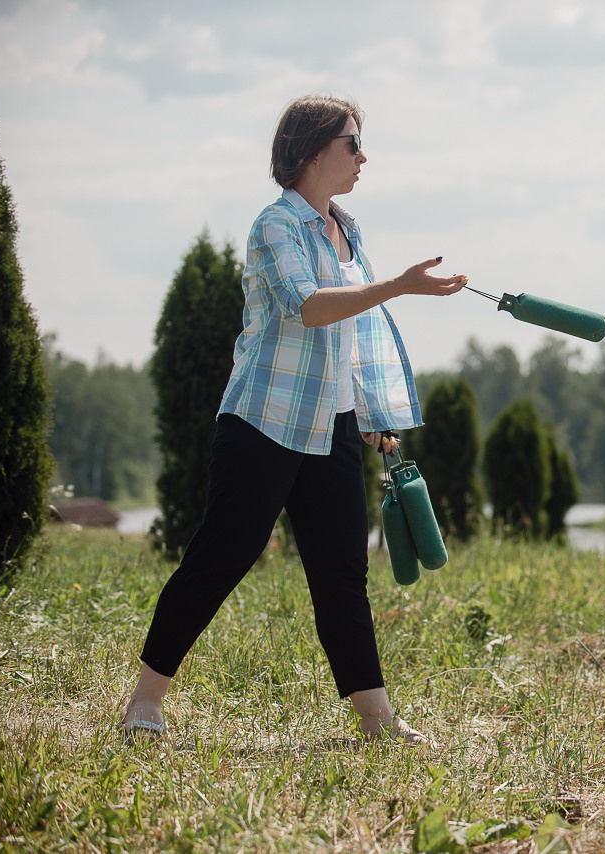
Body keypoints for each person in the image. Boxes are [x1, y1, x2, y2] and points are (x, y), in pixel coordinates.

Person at [119, 95, 466, 745]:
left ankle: (378, 721)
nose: (363, 157)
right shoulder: (275, 225)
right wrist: (397, 285)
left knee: (343, 574)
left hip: (331, 426)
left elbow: (347, 334)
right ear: (311, 151)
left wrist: (368, 414)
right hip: (264, 421)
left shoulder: (348, 229)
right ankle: (144, 702)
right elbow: (308, 307)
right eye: (352, 143)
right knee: (222, 557)